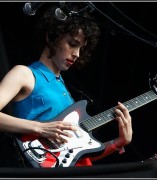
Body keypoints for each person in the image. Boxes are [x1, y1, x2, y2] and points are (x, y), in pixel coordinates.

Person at [0, 2, 133, 167]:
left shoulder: (67, 94)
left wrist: (119, 142)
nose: (77, 54)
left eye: (81, 48)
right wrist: (40, 127)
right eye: (72, 44)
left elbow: (74, 156)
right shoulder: (24, 73)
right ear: (52, 36)